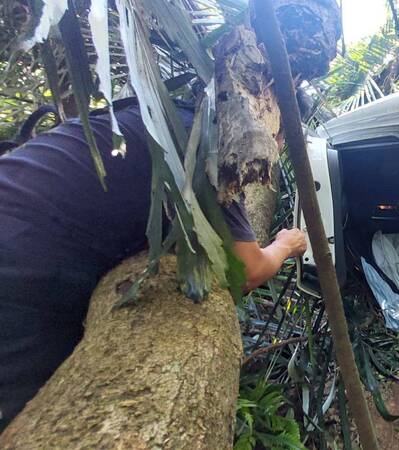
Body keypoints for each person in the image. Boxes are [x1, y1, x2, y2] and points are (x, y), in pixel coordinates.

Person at [0, 100, 307, 431]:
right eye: (280, 137)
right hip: (25, 255)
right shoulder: (205, 141)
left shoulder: (164, 112)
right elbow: (246, 270)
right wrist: (285, 245)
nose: (277, 149)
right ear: (265, 111)